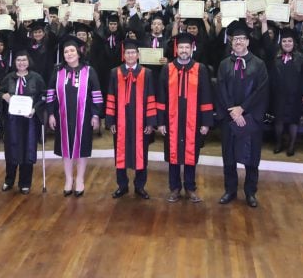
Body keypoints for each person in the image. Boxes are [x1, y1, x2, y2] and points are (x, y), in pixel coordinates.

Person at [156, 32, 214, 204]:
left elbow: (206, 96)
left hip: (193, 120)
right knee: (173, 155)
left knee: (190, 154)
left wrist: (206, 122)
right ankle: (174, 188)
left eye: (186, 47)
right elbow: (161, 97)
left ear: (191, 49)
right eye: (181, 47)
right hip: (171, 120)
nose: (183, 50)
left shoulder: (200, 69)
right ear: (176, 49)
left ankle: (190, 187)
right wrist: (160, 122)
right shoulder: (168, 69)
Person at [216, 21, 268, 208]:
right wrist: (232, 110)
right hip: (230, 118)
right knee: (228, 156)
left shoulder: (259, 64)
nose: (238, 42)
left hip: (250, 118)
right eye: (235, 39)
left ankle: (250, 192)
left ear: (248, 41)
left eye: (241, 39)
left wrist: (243, 110)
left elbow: (260, 92)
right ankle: (230, 190)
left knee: (251, 158)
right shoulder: (224, 65)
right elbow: (221, 89)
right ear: (231, 42)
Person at [46, 35, 103, 197]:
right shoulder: (58, 71)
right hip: (62, 116)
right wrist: (51, 114)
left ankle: (80, 179)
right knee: (66, 147)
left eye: (72, 51)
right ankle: (68, 179)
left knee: (82, 147)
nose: (69, 54)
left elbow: (97, 94)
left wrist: (96, 115)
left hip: (84, 117)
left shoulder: (89, 71)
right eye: (66, 52)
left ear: (79, 53)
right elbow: (50, 94)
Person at [105, 40, 157, 200]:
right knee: (120, 152)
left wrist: (150, 122)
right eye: (127, 53)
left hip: (140, 121)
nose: (130, 55)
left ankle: (140, 185)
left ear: (138, 55)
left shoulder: (146, 73)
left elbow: (151, 98)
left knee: (142, 153)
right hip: (120, 121)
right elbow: (111, 97)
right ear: (124, 55)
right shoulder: (115, 72)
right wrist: (111, 121)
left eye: (133, 53)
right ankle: (122, 185)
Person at [0, 50, 47, 194]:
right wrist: (3, 95)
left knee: (28, 149)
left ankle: (25, 182)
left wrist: (35, 109)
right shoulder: (9, 78)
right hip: (12, 120)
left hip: (30, 120)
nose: (21, 63)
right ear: (15, 62)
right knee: (11, 148)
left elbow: (43, 96)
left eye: (24, 60)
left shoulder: (36, 78)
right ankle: (9, 180)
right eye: (18, 60)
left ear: (28, 62)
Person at [262, 23, 303, 157]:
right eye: (284, 41)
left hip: (295, 95)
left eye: (289, 41)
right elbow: (266, 41)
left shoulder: (300, 57)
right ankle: (278, 143)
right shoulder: (275, 55)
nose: (287, 43)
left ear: (294, 43)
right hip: (278, 95)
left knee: (293, 121)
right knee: (278, 121)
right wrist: (264, 22)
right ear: (280, 42)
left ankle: (291, 145)